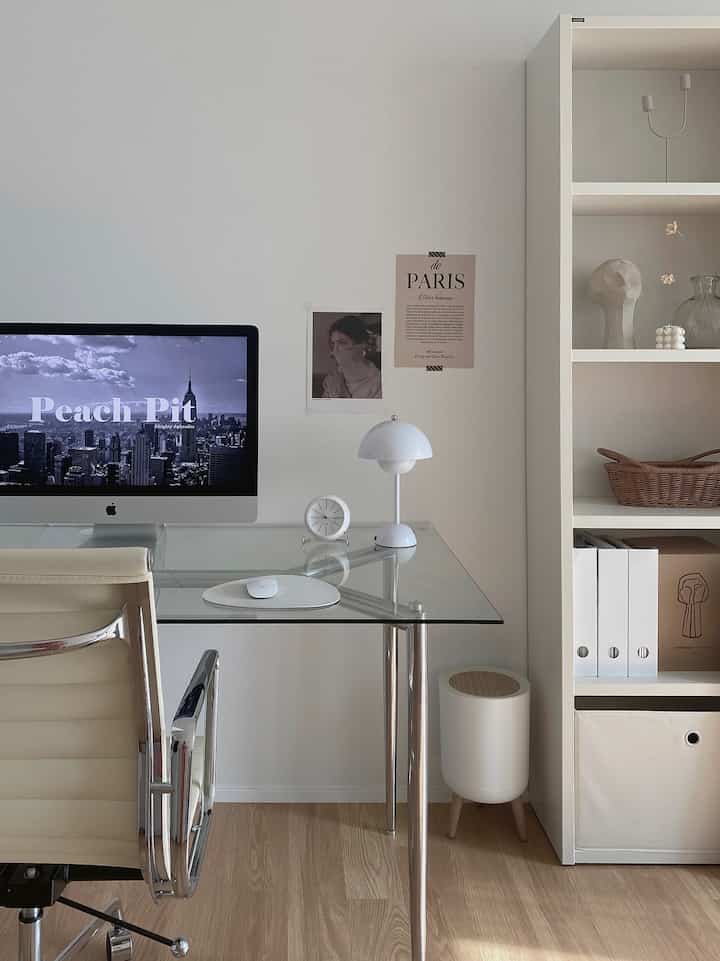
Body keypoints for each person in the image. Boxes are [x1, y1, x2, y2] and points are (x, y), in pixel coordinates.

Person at [321, 315, 381, 399]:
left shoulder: (379, 384)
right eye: (333, 344)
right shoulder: (332, 378)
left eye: (342, 343)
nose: (334, 351)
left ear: (361, 345)